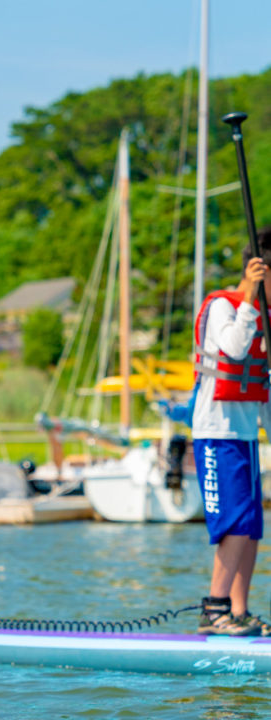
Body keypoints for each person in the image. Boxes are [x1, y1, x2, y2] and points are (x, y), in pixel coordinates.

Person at [192, 226, 271, 636]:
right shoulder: (226, 308)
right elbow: (235, 348)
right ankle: (214, 608)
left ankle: (239, 611)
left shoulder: (264, 316)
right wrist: (250, 298)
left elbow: (266, 387)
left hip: (244, 436)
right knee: (235, 523)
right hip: (216, 432)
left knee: (252, 526)